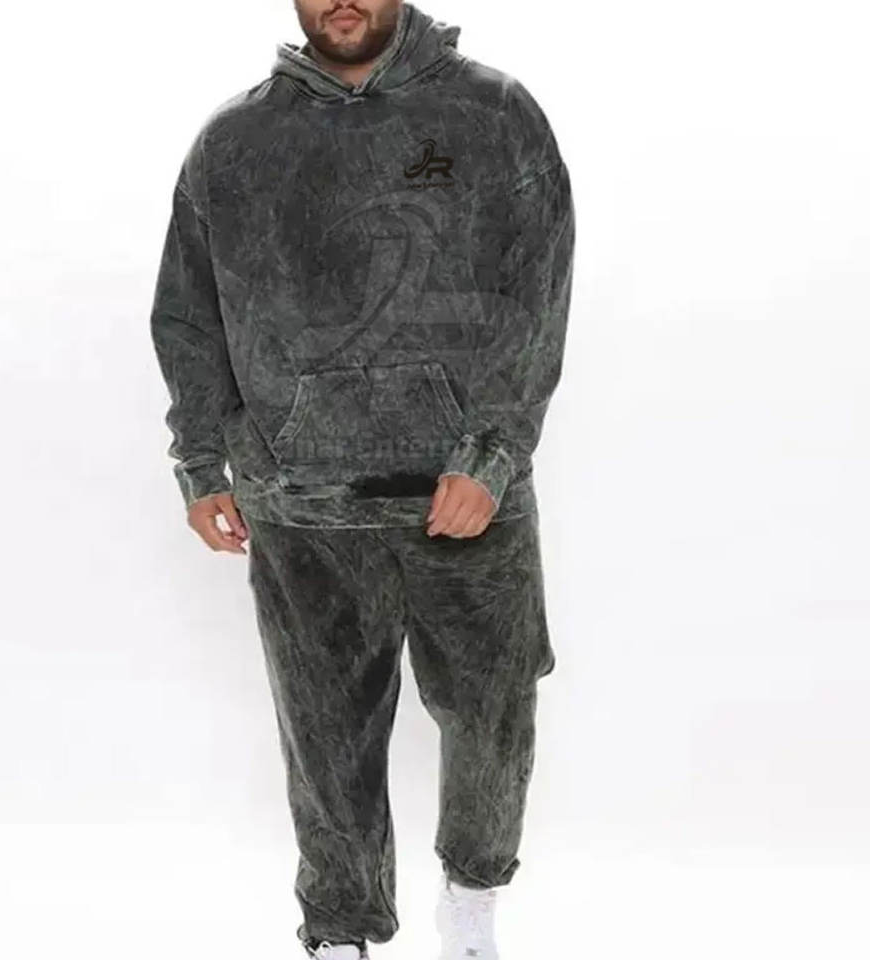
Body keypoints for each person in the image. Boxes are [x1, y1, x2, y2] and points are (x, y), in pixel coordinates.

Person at [148, 2, 575, 957]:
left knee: (493, 716)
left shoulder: (493, 113)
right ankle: (340, 933)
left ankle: (471, 903)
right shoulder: (235, 140)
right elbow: (188, 311)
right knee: (324, 733)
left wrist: (492, 452)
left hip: (466, 493)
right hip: (301, 500)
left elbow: (537, 294)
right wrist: (199, 460)